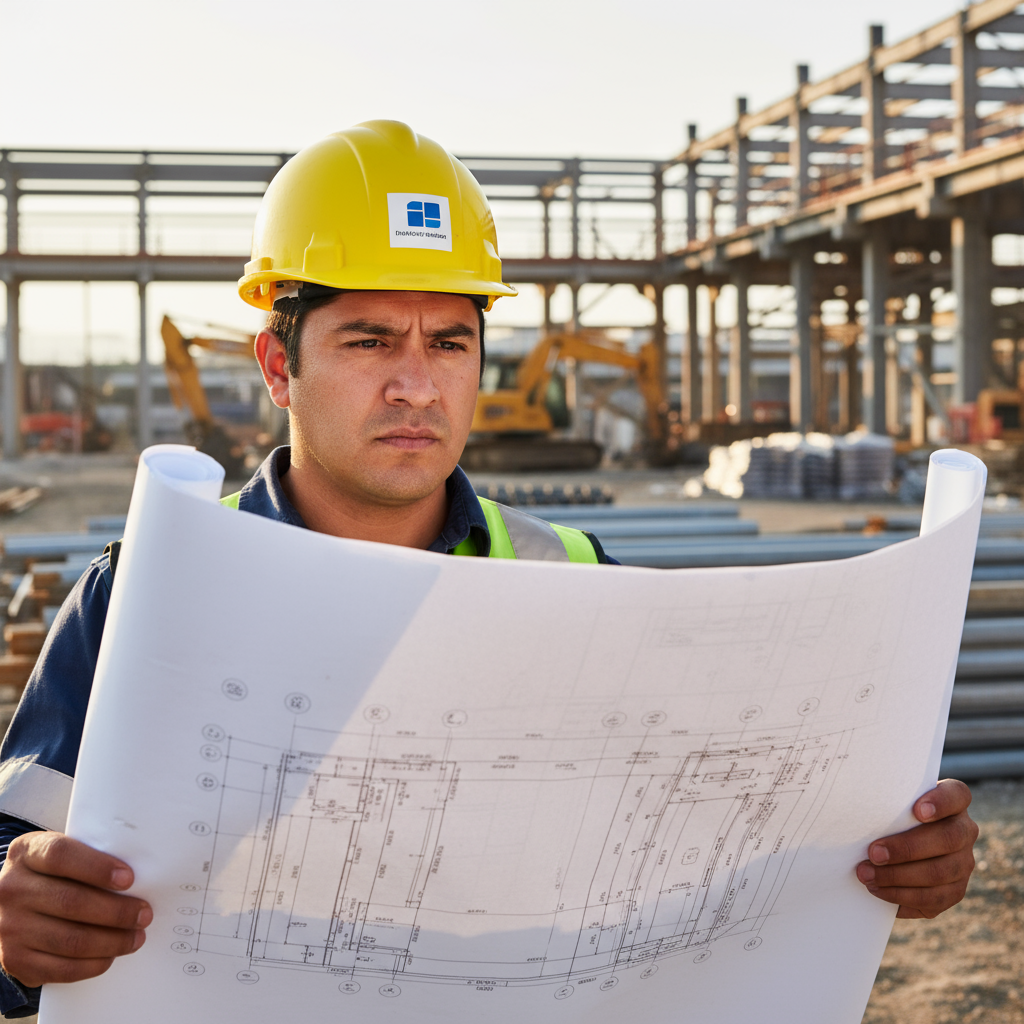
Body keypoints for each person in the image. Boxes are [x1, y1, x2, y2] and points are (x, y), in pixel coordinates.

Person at [0, 121, 978, 1017]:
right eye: (369, 339)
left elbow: (709, 851)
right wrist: (16, 921)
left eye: (451, 342)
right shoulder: (147, 594)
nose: (416, 383)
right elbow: (16, 857)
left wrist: (885, 855)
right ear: (275, 362)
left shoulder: (577, 577)